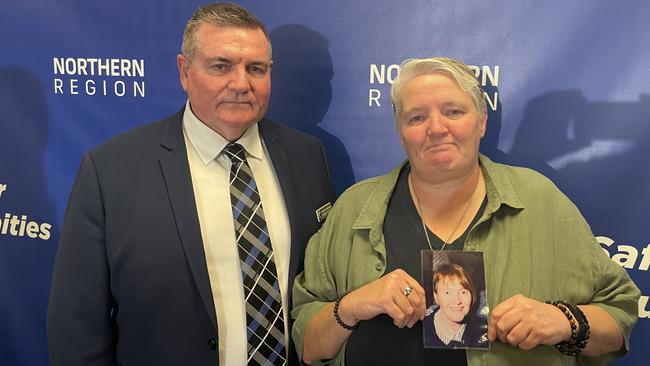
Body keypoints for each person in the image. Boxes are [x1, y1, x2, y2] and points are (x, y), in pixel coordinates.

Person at [291, 56, 640, 365]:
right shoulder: (354, 208)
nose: (437, 128)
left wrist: (563, 321)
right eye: (416, 117)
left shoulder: (539, 200)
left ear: (482, 121)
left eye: (454, 111)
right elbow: (307, 345)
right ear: (400, 132)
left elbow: (619, 315)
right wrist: (349, 307)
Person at [47, 3, 334, 366]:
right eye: (221, 66)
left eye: (255, 69)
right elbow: (77, 326)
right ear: (185, 72)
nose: (241, 83)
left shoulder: (308, 156)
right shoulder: (110, 171)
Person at [423, 263, 487, 349]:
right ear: (436, 297)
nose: (457, 301)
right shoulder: (424, 329)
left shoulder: (482, 329)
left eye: (463, 292)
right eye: (447, 293)